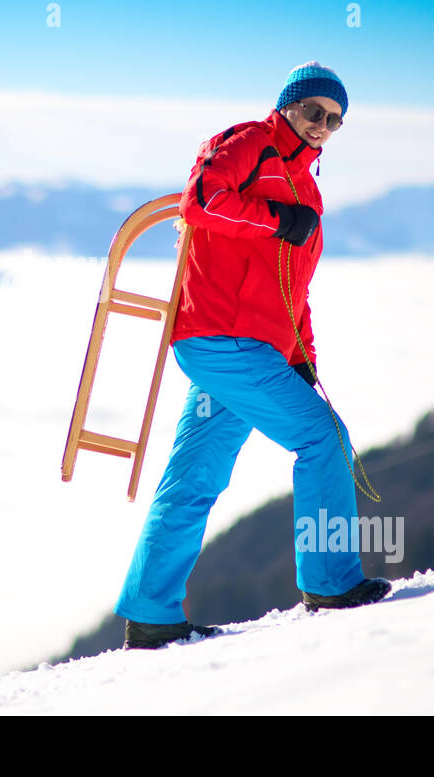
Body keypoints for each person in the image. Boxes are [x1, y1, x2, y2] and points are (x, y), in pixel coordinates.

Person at [116, 61, 391, 650]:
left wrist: (303, 356)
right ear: (289, 105)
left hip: (247, 346)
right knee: (324, 440)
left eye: (336, 121)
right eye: (314, 111)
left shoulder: (307, 187)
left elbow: (295, 286)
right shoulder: (247, 143)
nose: (322, 126)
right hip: (223, 337)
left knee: (195, 476)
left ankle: (151, 614)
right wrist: (274, 221)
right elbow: (200, 201)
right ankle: (330, 582)